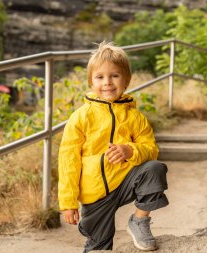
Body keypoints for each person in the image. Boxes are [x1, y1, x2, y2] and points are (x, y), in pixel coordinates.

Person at [58, 41, 169, 252]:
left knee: (155, 169)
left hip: (126, 181)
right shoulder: (80, 117)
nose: (107, 82)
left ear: (126, 80)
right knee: (99, 245)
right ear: (91, 82)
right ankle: (94, 231)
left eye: (114, 76)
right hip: (94, 194)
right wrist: (68, 202)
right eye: (100, 77)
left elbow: (151, 149)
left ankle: (139, 221)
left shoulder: (135, 117)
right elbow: (67, 161)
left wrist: (130, 150)